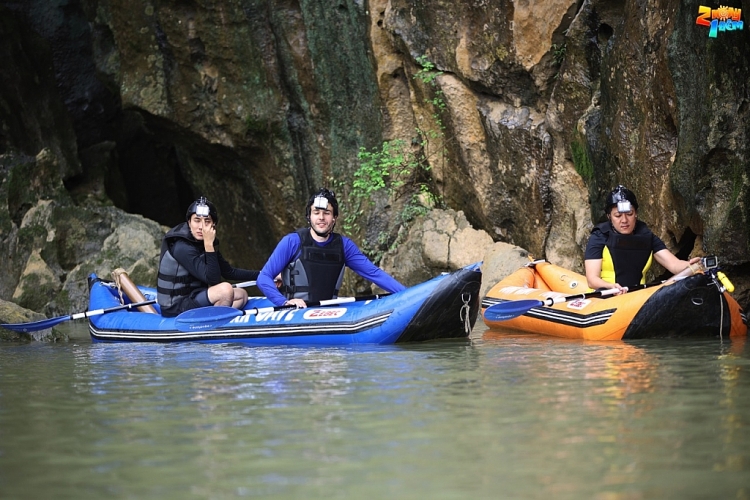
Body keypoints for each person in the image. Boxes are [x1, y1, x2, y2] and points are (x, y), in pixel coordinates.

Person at [256, 188, 407, 307]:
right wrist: (284, 303)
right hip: (295, 310)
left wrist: (408, 295)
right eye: (316, 213)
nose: (321, 217)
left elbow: (374, 273)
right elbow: (263, 277)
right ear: (309, 216)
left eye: (326, 213)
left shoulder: (344, 246)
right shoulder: (292, 242)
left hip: (328, 310)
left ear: (334, 218)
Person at [584, 185, 701, 294]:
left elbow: (675, 265)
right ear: (609, 217)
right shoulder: (599, 236)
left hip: (637, 297)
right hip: (606, 295)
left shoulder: (646, 236)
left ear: (636, 214)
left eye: (629, 214)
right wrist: (612, 287)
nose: (624, 220)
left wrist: (692, 266)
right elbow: (592, 280)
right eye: (618, 216)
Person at [157, 196, 260, 317]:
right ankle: (212, 326)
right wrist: (208, 246)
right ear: (189, 222)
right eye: (196, 220)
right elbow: (213, 280)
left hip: (195, 297)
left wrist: (264, 274)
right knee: (225, 290)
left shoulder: (206, 241)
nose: (201, 227)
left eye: (207, 221)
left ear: (213, 224)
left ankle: (214, 317)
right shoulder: (182, 248)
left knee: (241, 295)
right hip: (176, 306)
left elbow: (229, 272)